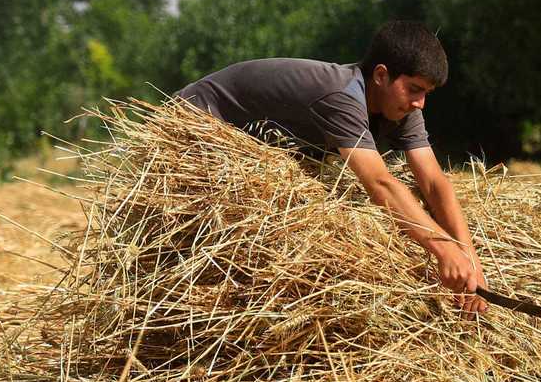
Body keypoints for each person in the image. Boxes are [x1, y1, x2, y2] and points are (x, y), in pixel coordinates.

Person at [174, 20, 488, 314]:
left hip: (253, 140)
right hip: (196, 120)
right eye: (414, 89)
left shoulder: (403, 108)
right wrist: (444, 249)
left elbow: (434, 182)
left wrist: (469, 259)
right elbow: (380, 183)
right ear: (381, 76)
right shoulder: (342, 96)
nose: (420, 103)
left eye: (426, 94)